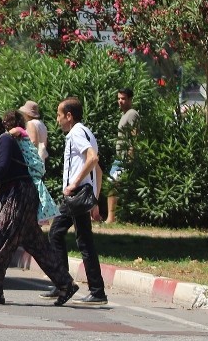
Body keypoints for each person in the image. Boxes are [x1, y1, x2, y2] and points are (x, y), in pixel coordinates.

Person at [0, 104, 78, 305]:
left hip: (20, 193)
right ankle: (65, 283)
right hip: (11, 194)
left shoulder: (5, 140)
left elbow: (1, 168)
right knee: (36, 245)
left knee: (0, 237)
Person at [43, 97, 108, 305]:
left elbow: (92, 159)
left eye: (59, 115)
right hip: (83, 195)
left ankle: (66, 283)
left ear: (69, 116)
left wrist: (73, 184)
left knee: (56, 233)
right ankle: (90, 289)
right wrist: (95, 200)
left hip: (76, 194)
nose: (57, 120)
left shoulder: (76, 133)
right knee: (82, 239)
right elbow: (98, 171)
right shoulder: (86, 132)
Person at [3, 110, 59, 223]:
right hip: (36, 164)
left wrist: (2, 138)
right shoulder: (35, 126)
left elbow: (13, 132)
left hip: (32, 165)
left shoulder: (19, 131)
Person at [107, 87, 139, 223]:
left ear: (130, 99)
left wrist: (131, 155)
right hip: (120, 157)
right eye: (119, 98)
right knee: (116, 186)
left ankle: (111, 218)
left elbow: (135, 134)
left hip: (125, 158)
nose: (120, 101)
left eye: (123, 98)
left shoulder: (132, 113)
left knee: (112, 184)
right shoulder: (125, 114)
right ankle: (116, 217)